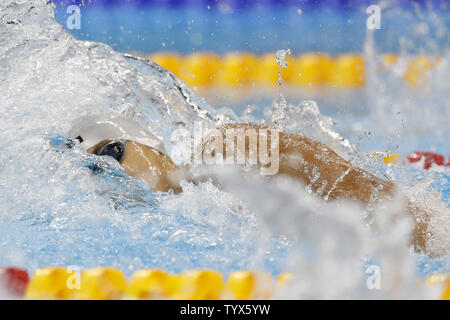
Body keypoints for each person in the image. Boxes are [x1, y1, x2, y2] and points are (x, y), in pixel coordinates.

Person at [69, 114, 430, 254]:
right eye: (93, 170)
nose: (108, 174)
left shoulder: (226, 149)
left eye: (111, 153)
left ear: (151, 147)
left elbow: (371, 194)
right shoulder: (158, 239)